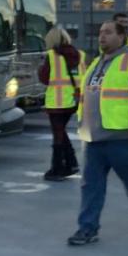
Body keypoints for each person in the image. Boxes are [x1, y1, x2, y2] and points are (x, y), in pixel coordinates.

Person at [67, 21, 128, 246]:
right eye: (100, 33)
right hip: (94, 137)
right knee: (91, 185)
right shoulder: (96, 63)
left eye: (108, 32)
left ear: (121, 36)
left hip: (122, 137)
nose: (102, 37)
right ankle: (87, 228)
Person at [38, 26, 84, 181]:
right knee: (61, 132)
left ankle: (58, 168)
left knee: (58, 134)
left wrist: (40, 69)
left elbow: (45, 78)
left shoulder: (51, 56)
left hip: (56, 102)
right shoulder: (78, 54)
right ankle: (70, 163)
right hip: (72, 99)